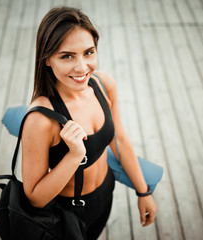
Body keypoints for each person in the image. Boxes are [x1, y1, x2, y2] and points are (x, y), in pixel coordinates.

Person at [21, 6, 157, 239]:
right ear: (46, 60)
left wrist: (143, 191)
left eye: (88, 52)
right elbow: (34, 196)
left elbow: (120, 140)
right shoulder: (41, 119)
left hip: (105, 192)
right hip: (67, 212)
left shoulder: (103, 85)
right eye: (67, 56)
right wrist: (74, 156)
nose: (82, 68)